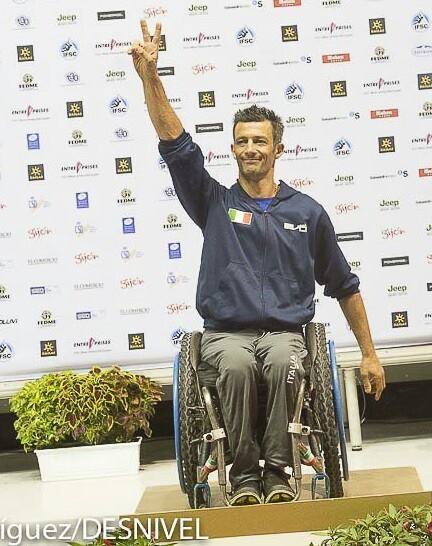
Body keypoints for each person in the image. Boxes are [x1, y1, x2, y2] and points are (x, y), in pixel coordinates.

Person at [129, 20, 386, 506]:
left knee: (285, 361)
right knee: (236, 365)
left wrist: (369, 354)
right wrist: (150, 78)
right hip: (226, 333)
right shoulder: (213, 203)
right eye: (242, 141)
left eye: (260, 141)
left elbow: (345, 286)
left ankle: (280, 471)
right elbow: (176, 146)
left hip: (286, 333)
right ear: (232, 148)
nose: (250, 149)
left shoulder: (306, 213)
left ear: (278, 149)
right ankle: (246, 476)